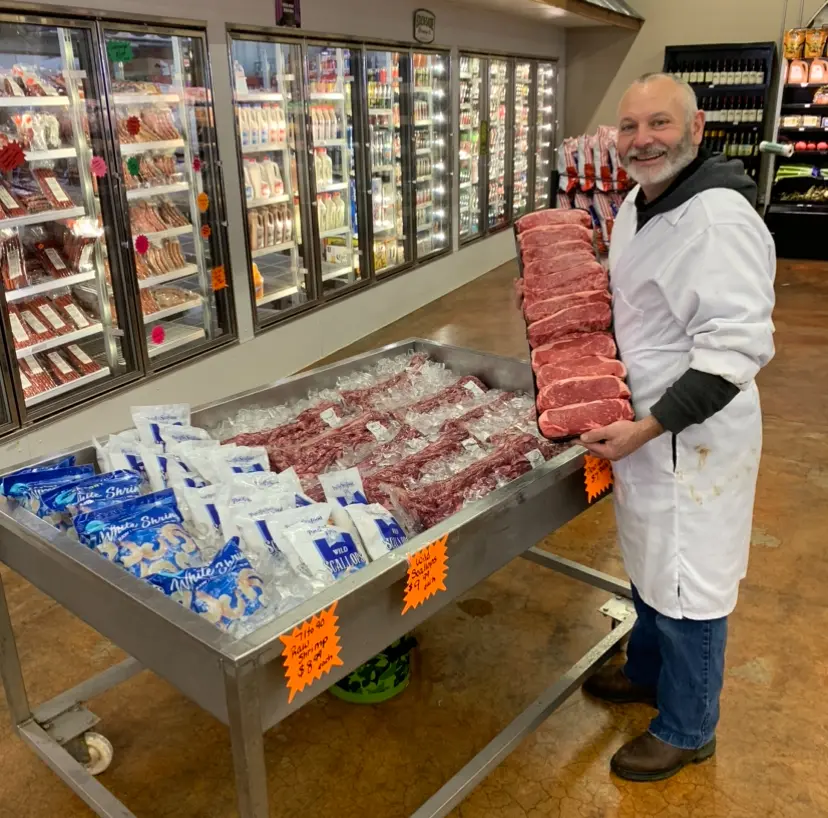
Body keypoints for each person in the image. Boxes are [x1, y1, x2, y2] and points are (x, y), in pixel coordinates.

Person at [579, 73, 776, 782]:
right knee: (650, 561)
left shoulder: (718, 219)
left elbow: (735, 353)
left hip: (693, 437)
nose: (642, 140)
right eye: (630, 126)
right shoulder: (643, 198)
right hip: (646, 425)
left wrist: (646, 429)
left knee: (692, 582)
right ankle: (647, 669)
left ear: (696, 129)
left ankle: (689, 728)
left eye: (659, 123)